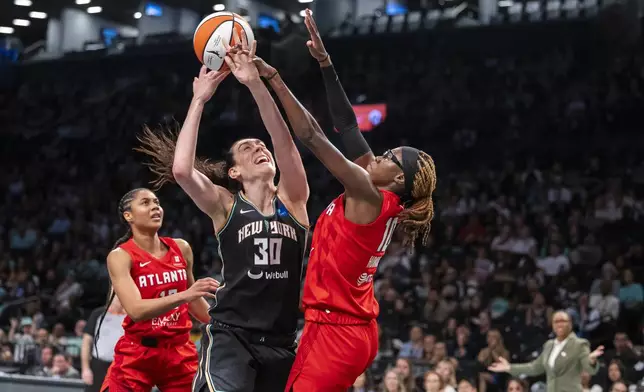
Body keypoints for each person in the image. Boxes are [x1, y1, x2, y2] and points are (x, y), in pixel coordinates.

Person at [249, 9, 436, 392]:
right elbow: (348, 126)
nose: (378, 155)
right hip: (351, 328)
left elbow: (314, 136)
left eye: (388, 157)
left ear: (398, 179)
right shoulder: (375, 187)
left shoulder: (367, 191)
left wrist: (274, 78)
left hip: (337, 331)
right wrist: (326, 64)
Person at [136, 34, 310, 392]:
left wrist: (255, 84)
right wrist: (199, 100)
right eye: (248, 148)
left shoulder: (294, 201)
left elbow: (284, 140)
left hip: (281, 343)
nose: (260, 148)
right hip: (232, 336)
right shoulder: (227, 206)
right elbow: (182, 171)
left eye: (262, 146)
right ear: (234, 173)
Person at [100, 188, 219, 391]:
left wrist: (225, 323)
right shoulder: (120, 256)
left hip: (179, 351)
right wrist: (186, 295)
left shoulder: (181, 248)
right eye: (145, 203)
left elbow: (193, 301)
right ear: (128, 216)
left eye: (156, 202)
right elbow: (136, 310)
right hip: (138, 352)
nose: (155, 206)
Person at [488, 310, 604, 392]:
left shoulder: (579, 344)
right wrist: (509, 367)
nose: (559, 325)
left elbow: (589, 369)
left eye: (563, 321)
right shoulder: (549, 345)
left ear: (570, 324)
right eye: (556, 322)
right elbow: (534, 367)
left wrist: (591, 360)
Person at [81, 293, 126, 392]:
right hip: (98, 365)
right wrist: (85, 368)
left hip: (121, 367)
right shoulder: (98, 313)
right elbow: (86, 342)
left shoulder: (132, 316)